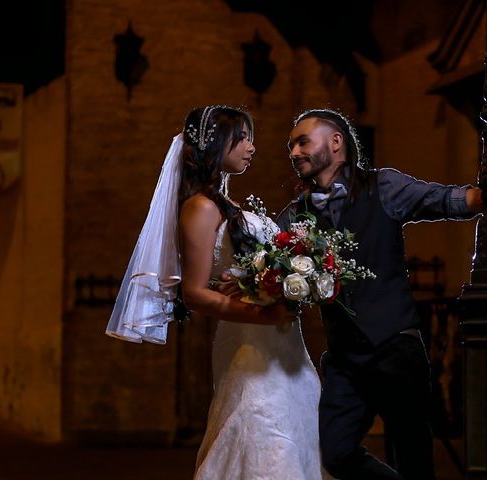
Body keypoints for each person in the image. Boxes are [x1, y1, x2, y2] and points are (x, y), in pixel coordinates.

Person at [274, 108, 487, 480]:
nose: (294, 152)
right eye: (290, 146)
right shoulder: (292, 217)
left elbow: (452, 200)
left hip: (395, 346)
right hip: (345, 359)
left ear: (336, 142)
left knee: (414, 459)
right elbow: (267, 264)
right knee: (336, 453)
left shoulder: (383, 186)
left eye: (302, 141)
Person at [106, 105, 326, 480]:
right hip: (250, 343)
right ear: (214, 145)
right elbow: (193, 293)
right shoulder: (200, 208)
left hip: (283, 345)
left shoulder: (228, 205)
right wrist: (265, 313)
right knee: (263, 436)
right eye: (242, 138)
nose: (251, 147)